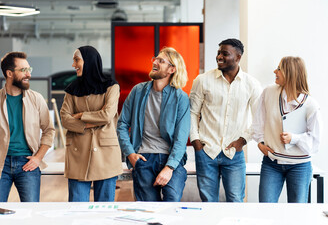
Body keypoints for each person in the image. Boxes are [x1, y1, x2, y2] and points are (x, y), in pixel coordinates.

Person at [190, 38, 261, 202]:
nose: (219, 57)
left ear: (238, 57)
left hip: (234, 154)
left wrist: (243, 140)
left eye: (225, 54)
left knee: (236, 200)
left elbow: (259, 119)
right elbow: (192, 113)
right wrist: (196, 142)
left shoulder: (252, 84)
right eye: (218, 53)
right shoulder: (202, 80)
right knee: (208, 202)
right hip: (206, 151)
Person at [0, 52, 55, 202]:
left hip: (28, 163)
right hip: (0, 164)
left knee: (31, 214)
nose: (28, 74)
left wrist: (38, 158)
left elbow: (49, 130)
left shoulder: (36, 99)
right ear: (9, 73)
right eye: (23, 70)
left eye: (29, 69)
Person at [117, 47, 190, 202]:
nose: (155, 62)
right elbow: (122, 124)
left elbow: (181, 138)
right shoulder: (138, 91)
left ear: (172, 69)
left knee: (172, 200)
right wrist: (130, 154)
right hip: (143, 157)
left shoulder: (180, 98)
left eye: (161, 61)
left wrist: (169, 168)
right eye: (155, 59)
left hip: (171, 157)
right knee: (147, 208)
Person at [252, 56, 321, 203]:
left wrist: (294, 138)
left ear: (290, 73)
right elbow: (258, 121)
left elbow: (315, 142)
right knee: (265, 209)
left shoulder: (311, 105)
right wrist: (260, 143)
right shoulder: (269, 92)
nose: (274, 71)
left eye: (279, 69)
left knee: (296, 213)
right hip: (272, 163)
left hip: (300, 166)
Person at [60, 45, 123, 202]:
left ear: (89, 61)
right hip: (77, 155)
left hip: (106, 156)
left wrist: (81, 115)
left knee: (104, 212)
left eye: (76, 60)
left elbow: (107, 115)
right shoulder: (71, 90)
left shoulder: (111, 86)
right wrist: (89, 123)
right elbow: (65, 119)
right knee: (76, 212)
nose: (73, 65)